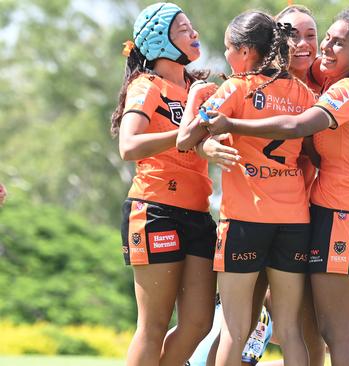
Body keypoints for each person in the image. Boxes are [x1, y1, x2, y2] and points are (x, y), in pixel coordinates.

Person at [199, 8, 349, 366]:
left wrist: (232, 124)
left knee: (335, 333)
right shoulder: (326, 79)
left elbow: (297, 127)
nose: (318, 47)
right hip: (330, 215)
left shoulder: (341, 88)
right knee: (338, 332)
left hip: (340, 216)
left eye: (320, 36)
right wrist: (208, 142)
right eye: (294, 34)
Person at [177, 10, 316, 366]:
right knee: (290, 331)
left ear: (245, 51)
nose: (225, 56)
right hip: (294, 221)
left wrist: (200, 115)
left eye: (228, 48)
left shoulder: (236, 88)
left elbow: (185, 138)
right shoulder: (303, 93)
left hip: (244, 220)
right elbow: (314, 151)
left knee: (235, 330)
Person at [110, 3, 238, 365]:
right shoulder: (146, 85)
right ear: (159, 40)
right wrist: (181, 134)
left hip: (198, 213)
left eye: (191, 27)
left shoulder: (199, 89)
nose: (194, 34)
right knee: (152, 326)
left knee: (199, 322)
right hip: (154, 211)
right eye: (183, 29)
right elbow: (128, 146)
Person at [275, 6, 326, 366]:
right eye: (294, 35)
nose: (304, 44)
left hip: (317, 215)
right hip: (265, 214)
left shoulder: (332, 86)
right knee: (240, 320)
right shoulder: (260, 81)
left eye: (311, 35)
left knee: (312, 327)